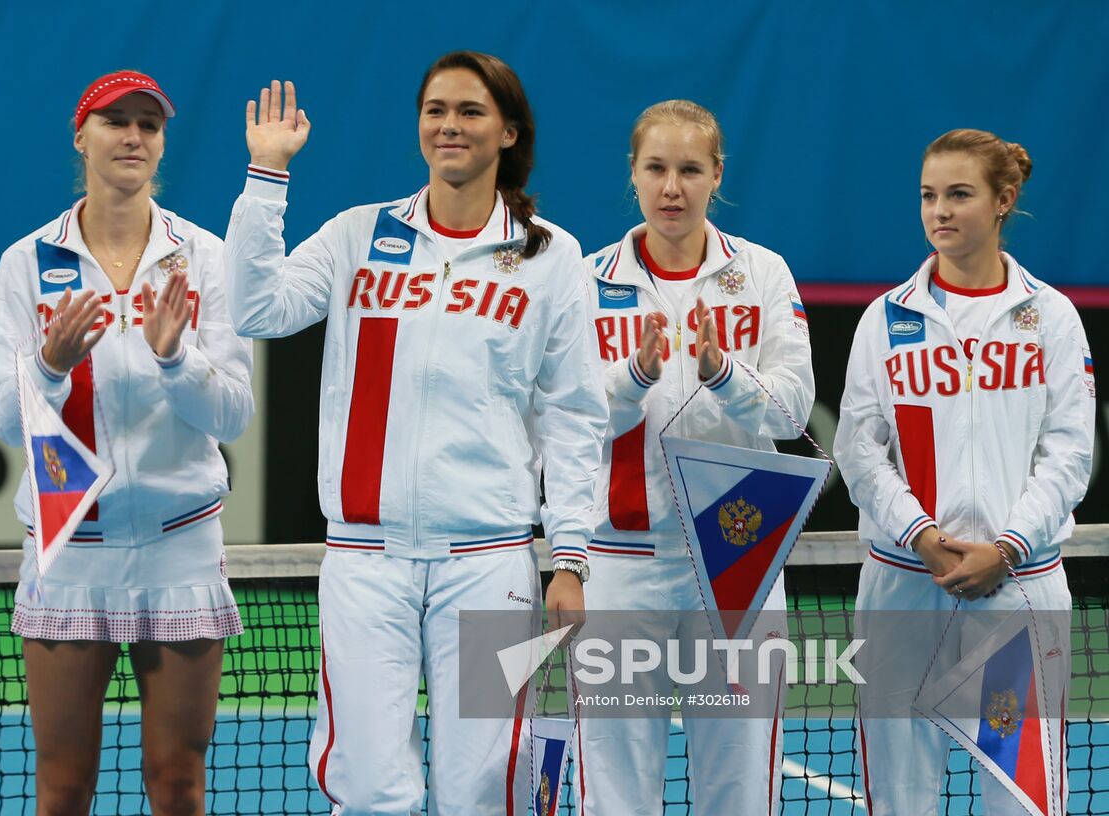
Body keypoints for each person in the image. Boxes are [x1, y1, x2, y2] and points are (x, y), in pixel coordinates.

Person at [225, 52, 607, 814]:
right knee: (369, 787)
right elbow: (255, 310)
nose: (449, 126)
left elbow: (573, 416)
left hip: (489, 564)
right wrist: (267, 176)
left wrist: (570, 557)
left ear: (508, 131)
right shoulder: (356, 236)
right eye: (435, 110)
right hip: (366, 562)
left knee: (481, 786)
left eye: (469, 111)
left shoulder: (550, 257)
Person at [0, 70, 253, 815]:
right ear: (81, 136)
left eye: (148, 124)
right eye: (114, 121)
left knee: (178, 780)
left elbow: (232, 416)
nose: (132, 136)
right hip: (71, 545)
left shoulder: (205, 256)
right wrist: (49, 367)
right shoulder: (27, 263)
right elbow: (4, 418)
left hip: (180, 543)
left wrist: (176, 360)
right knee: (64, 785)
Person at [834, 129, 1090, 815]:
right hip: (903, 590)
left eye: (958, 194)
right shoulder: (885, 320)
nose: (939, 210)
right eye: (928, 196)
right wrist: (919, 534)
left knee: (1019, 798)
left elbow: (1069, 452)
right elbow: (858, 451)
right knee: (899, 797)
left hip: (1017, 594)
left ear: (1003, 200)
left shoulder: (1052, 319)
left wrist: (1007, 548)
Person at [575, 100, 815, 815]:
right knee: (614, 789)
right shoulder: (585, 281)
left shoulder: (765, 274)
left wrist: (723, 372)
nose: (671, 187)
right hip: (621, 565)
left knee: (740, 787)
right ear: (633, 174)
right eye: (656, 169)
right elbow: (570, 422)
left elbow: (794, 411)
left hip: (738, 559)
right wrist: (635, 375)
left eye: (689, 170)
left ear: (717, 176)